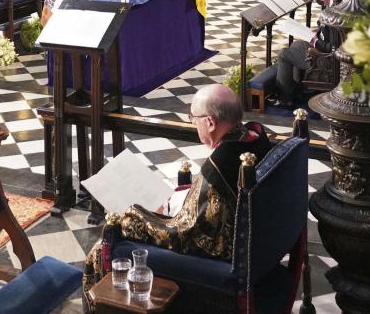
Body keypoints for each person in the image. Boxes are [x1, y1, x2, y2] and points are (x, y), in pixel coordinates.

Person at [82, 85, 272, 292]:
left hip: (223, 260)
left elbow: (185, 235)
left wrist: (135, 215)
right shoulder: (254, 136)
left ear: (210, 122)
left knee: (108, 240)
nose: (192, 122)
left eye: (193, 117)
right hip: (261, 238)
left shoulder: (218, 167)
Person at [271, 0, 342, 106]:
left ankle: (286, 98)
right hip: (326, 50)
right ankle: (297, 90)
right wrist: (319, 29)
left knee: (284, 54)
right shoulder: (336, 0)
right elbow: (331, 32)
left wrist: (314, 40)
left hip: (327, 60)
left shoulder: (334, 11)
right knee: (296, 45)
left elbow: (332, 47)